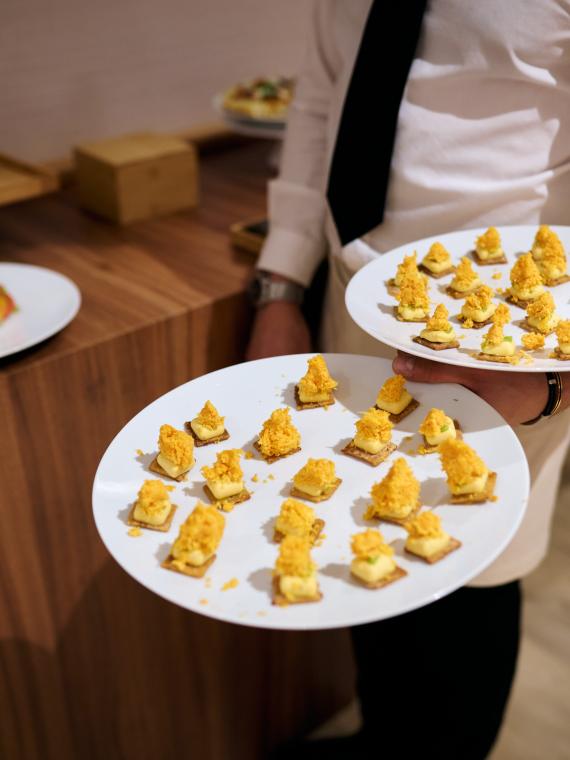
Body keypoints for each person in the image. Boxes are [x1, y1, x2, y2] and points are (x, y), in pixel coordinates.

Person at [246, 2, 570, 758]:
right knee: (365, 548)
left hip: (507, 335)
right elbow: (323, 97)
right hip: (349, 296)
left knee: (471, 578)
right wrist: (282, 285)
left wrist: (558, 386)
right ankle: (382, 738)